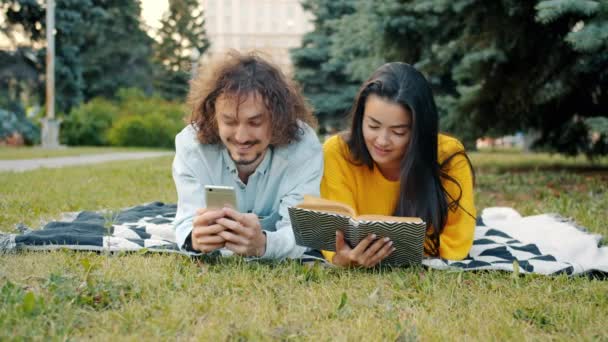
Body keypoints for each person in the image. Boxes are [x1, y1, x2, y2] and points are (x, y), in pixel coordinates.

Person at [321, 62, 476, 267]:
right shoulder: (338, 151)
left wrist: (430, 264)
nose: (382, 141)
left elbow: (457, 238)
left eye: (399, 132)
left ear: (419, 130)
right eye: (373, 126)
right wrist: (342, 257)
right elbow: (335, 232)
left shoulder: (448, 155)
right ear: (360, 119)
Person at [172, 52, 323, 259]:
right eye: (230, 122)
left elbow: (302, 232)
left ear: (278, 118)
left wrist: (264, 245)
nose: (241, 137)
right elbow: (186, 220)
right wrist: (195, 241)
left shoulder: (303, 147)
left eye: (255, 122)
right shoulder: (191, 147)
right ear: (213, 117)